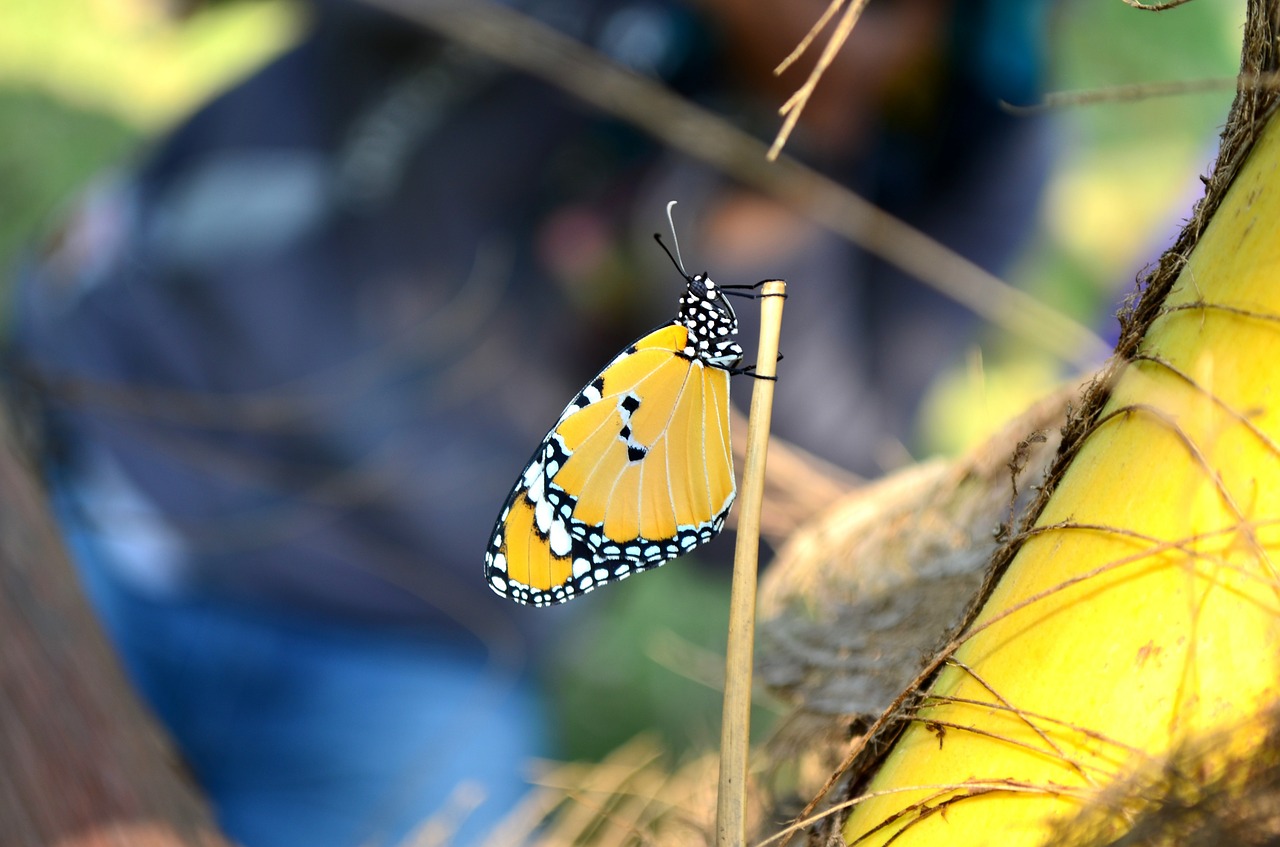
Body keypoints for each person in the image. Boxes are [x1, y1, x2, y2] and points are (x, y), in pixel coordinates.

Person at [5, 0, 1054, 844]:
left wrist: (774, 193)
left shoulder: (972, 125)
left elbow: (787, 529)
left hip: (416, 636)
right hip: (104, 461)